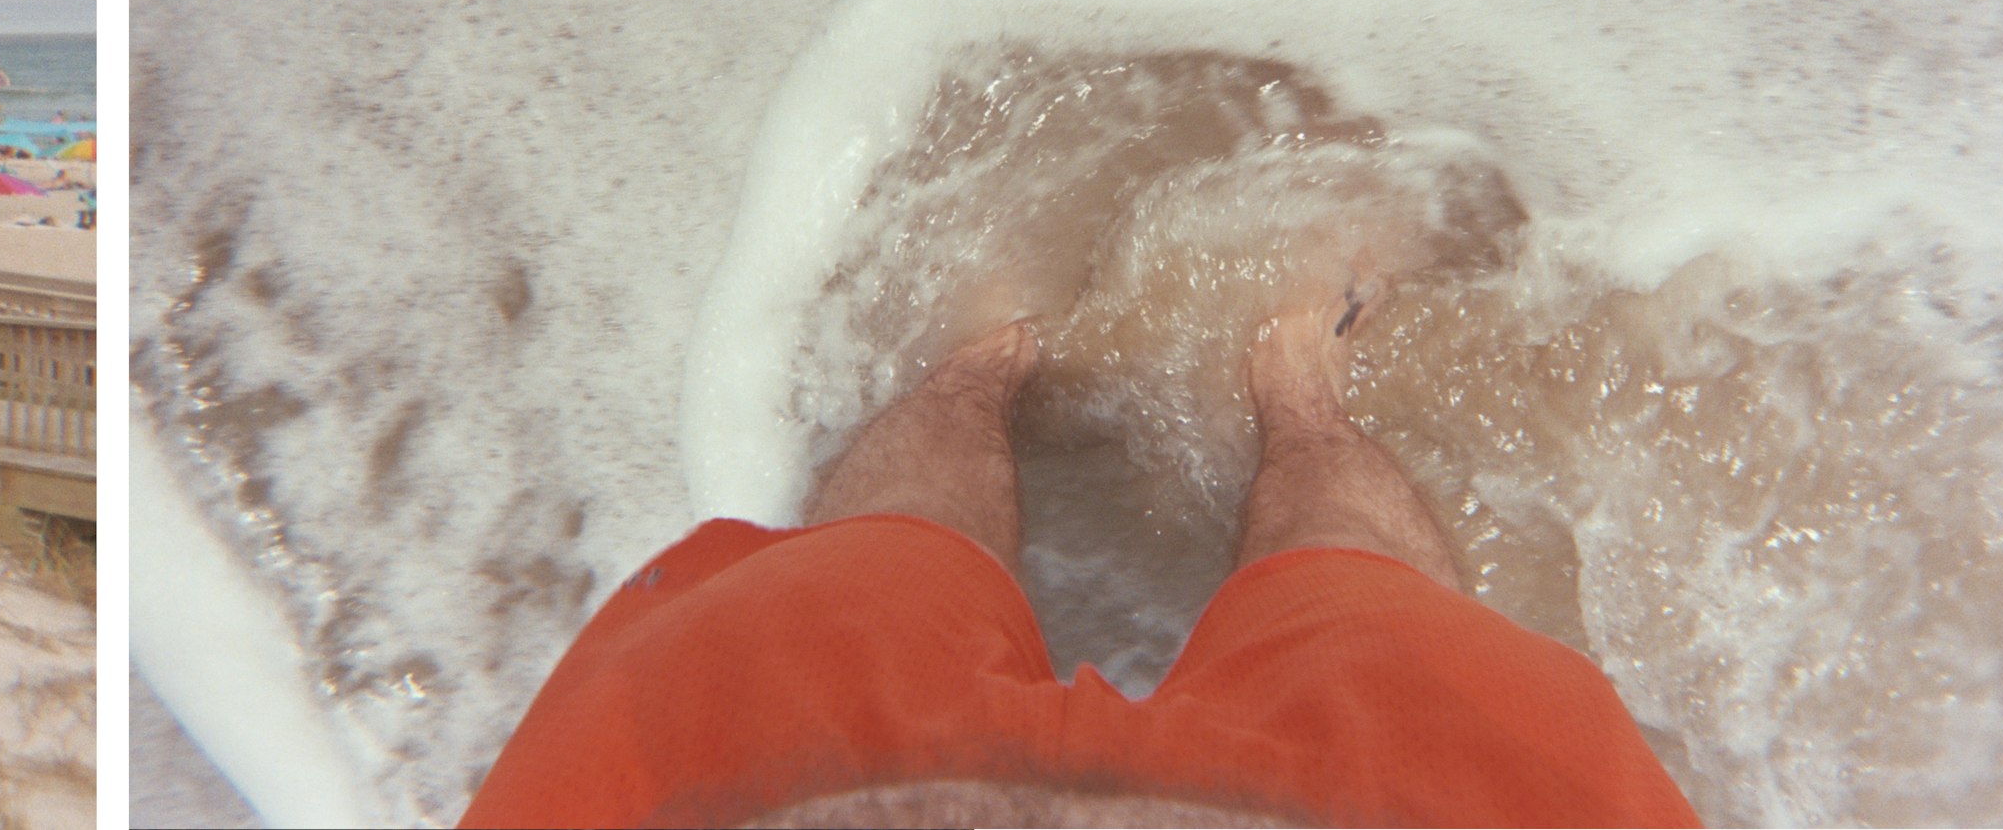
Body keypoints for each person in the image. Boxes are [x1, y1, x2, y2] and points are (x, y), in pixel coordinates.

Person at [457, 264, 1700, 828]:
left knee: (901, 550)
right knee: (1355, 591)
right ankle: (1297, 395)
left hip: (774, 797)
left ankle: (983, 366)